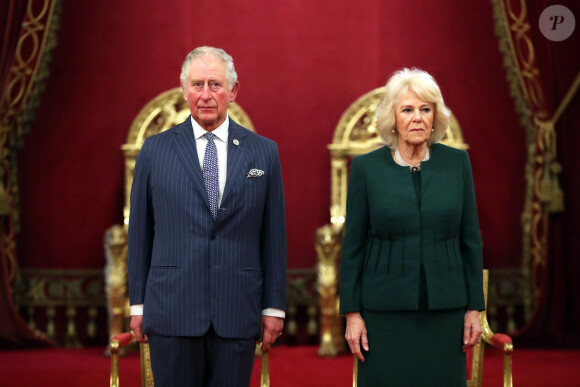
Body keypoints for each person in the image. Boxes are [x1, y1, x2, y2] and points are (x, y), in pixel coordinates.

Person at [128, 46, 287, 387]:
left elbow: (273, 235)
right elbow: (140, 233)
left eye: (215, 84)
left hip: (237, 308)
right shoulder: (154, 151)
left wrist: (273, 307)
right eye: (197, 84)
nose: (205, 95)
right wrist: (138, 304)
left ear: (233, 91)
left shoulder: (264, 152)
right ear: (184, 89)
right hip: (171, 309)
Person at [339, 68, 485, 386]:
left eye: (425, 109)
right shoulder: (367, 168)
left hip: (445, 311)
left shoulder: (457, 164)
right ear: (393, 117)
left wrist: (475, 309)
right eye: (407, 109)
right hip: (383, 313)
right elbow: (352, 247)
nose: (417, 118)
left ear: (435, 117)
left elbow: (470, 240)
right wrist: (352, 314)